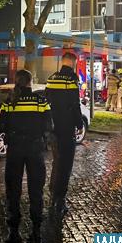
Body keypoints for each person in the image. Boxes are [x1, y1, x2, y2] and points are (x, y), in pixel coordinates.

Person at [0, 69, 53, 243]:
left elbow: (1, 126)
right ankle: (36, 231)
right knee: (36, 190)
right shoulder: (40, 101)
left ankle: (13, 233)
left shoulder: (10, 101)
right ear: (31, 81)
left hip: (15, 150)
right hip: (35, 150)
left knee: (13, 191)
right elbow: (48, 125)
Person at [45, 52, 83, 217]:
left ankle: (52, 194)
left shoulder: (52, 79)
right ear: (73, 63)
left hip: (53, 128)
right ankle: (59, 200)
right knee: (65, 164)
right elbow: (75, 105)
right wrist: (79, 124)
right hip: (67, 129)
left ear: (62, 62)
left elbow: (47, 102)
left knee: (56, 161)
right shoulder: (72, 80)